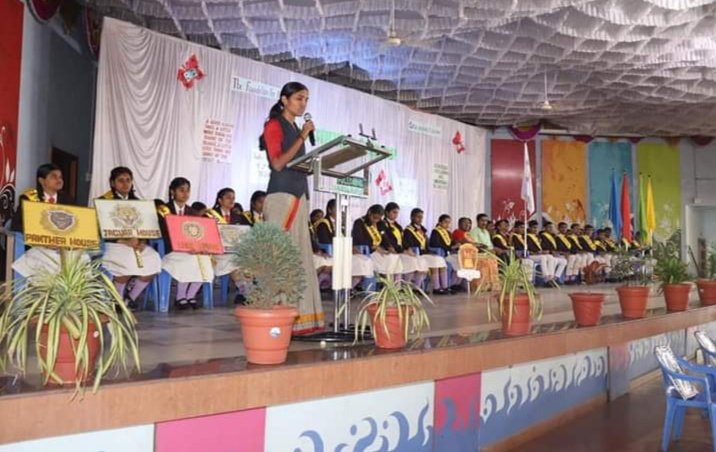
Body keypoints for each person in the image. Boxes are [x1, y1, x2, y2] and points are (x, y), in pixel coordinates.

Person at [259, 81, 323, 334]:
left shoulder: (296, 128)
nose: (303, 104)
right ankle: (276, 316)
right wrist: (302, 136)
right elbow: (277, 164)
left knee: (299, 255)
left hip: (298, 195)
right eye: (298, 98)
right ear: (284, 100)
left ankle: (301, 318)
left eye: (306, 99)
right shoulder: (274, 125)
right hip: (281, 197)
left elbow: (296, 161)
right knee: (281, 256)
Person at [99, 167, 162, 310]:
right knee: (126, 260)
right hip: (115, 243)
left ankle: (130, 298)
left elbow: (146, 227)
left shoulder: (138, 203)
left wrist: (142, 242)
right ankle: (118, 299)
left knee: (154, 259)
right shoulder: (104, 201)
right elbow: (100, 229)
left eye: (128, 180)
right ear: (113, 183)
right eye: (120, 180)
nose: (125, 184)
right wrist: (123, 241)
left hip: (136, 243)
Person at [11, 163, 89, 277]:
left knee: (83, 257)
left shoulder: (68, 199)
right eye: (54, 177)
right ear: (42, 181)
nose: (59, 180)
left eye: (60, 177)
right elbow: (16, 225)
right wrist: (41, 241)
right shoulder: (29, 198)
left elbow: (77, 225)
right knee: (46, 259)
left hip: (64, 246)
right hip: (39, 245)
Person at [158, 177, 214, 310]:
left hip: (191, 249)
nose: (185, 193)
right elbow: (162, 232)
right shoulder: (163, 210)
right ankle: (180, 296)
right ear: (173, 191)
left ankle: (190, 295)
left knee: (205, 260)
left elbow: (198, 233)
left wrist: (200, 247)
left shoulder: (193, 212)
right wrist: (182, 246)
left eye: (187, 190)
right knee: (189, 260)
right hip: (171, 250)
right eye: (181, 190)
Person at [207, 188, 247, 305]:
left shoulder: (238, 216)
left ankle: (244, 292)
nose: (232, 200)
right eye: (228, 197)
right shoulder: (209, 215)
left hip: (232, 251)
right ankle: (246, 293)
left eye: (233, 198)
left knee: (244, 261)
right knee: (234, 261)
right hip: (215, 252)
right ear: (220, 200)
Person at [404, 208, 449, 294]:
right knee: (424, 265)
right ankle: (416, 288)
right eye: (418, 217)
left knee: (439, 260)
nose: (420, 219)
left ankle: (439, 287)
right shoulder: (408, 230)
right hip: (415, 254)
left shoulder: (422, 230)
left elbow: (426, 244)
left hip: (424, 253)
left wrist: (429, 252)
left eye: (421, 217)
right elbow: (408, 244)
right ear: (412, 217)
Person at [377, 203, 412, 281]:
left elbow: (402, 239)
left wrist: (408, 248)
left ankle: (401, 286)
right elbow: (385, 239)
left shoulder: (398, 226)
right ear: (387, 212)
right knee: (392, 262)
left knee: (411, 263)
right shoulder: (382, 224)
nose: (396, 215)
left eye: (397, 213)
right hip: (388, 250)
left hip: (398, 250)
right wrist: (391, 247)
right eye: (394, 212)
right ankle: (390, 287)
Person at [468, 213, 500, 291]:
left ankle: (490, 285)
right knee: (487, 261)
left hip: (487, 253)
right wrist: (488, 250)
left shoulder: (486, 232)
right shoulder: (474, 231)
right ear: (477, 221)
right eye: (482, 220)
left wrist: (493, 250)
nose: (484, 223)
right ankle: (481, 285)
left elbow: (490, 245)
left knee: (493, 259)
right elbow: (475, 245)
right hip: (477, 254)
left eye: (486, 221)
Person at [526, 220, 564, 284]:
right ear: (529, 228)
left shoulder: (537, 236)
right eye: (533, 228)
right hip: (531, 255)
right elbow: (530, 247)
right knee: (544, 257)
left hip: (539, 254)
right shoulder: (527, 236)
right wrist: (539, 252)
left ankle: (551, 276)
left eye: (536, 228)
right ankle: (546, 276)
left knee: (550, 257)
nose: (535, 229)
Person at [309, 209, 332, 288]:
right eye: (317, 217)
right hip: (310, 253)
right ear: (312, 217)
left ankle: (319, 285)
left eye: (321, 217)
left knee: (331, 262)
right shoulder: (308, 227)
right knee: (322, 262)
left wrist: (322, 252)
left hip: (319, 252)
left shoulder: (319, 227)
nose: (320, 219)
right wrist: (317, 252)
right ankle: (312, 285)